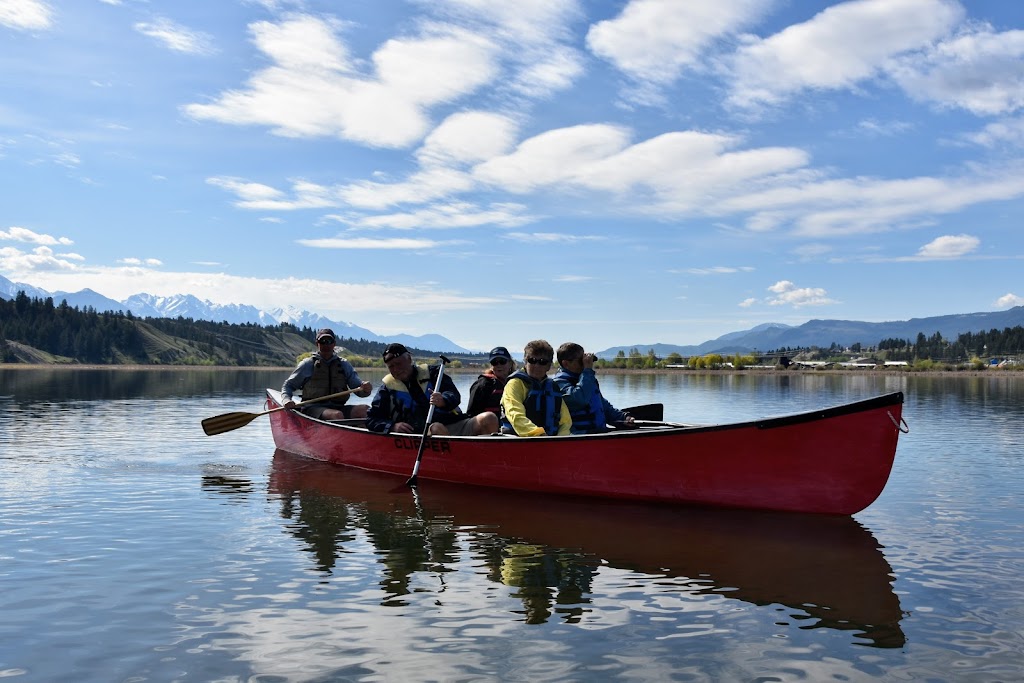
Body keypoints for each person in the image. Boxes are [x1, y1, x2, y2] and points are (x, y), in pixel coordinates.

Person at [365, 343, 499, 436]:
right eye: (391, 366)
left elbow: (454, 395)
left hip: (454, 424)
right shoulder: (387, 388)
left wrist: (443, 400)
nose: (396, 369)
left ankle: (490, 461)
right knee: (436, 428)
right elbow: (372, 419)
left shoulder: (435, 373)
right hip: (423, 434)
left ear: (409, 359)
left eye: (399, 364)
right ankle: (457, 464)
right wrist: (392, 426)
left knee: (489, 418)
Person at [281, 328, 373, 419]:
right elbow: (288, 385)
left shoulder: (344, 364)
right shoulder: (307, 364)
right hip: (312, 408)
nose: (326, 344)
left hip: (338, 407)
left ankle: (361, 432)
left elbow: (359, 390)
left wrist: (365, 389)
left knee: (366, 410)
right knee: (336, 415)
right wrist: (286, 400)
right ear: (317, 344)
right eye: (322, 341)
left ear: (334, 344)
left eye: (329, 341)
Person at [553, 342, 635, 434]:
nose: (585, 363)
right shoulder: (559, 383)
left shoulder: (587, 378)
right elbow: (579, 400)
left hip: (597, 435)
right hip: (578, 438)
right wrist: (587, 371)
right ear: (566, 363)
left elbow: (603, 406)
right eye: (581, 360)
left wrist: (623, 418)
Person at [500, 340, 572, 436]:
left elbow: (566, 422)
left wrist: (560, 439)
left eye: (542, 362)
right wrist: (538, 434)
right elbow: (515, 415)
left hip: (549, 441)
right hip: (518, 439)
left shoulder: (552, 387)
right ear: (525, 361)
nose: (536, 366)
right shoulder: (515, 384)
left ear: (549, 366)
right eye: (532, 360)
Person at [466, 346, 515, 417]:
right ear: (491, 365)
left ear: (510, 363)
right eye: (494, 362)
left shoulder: (518, 382)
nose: (498, 365)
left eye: (502, 361)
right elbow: (471, 414)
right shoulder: (482, 384)